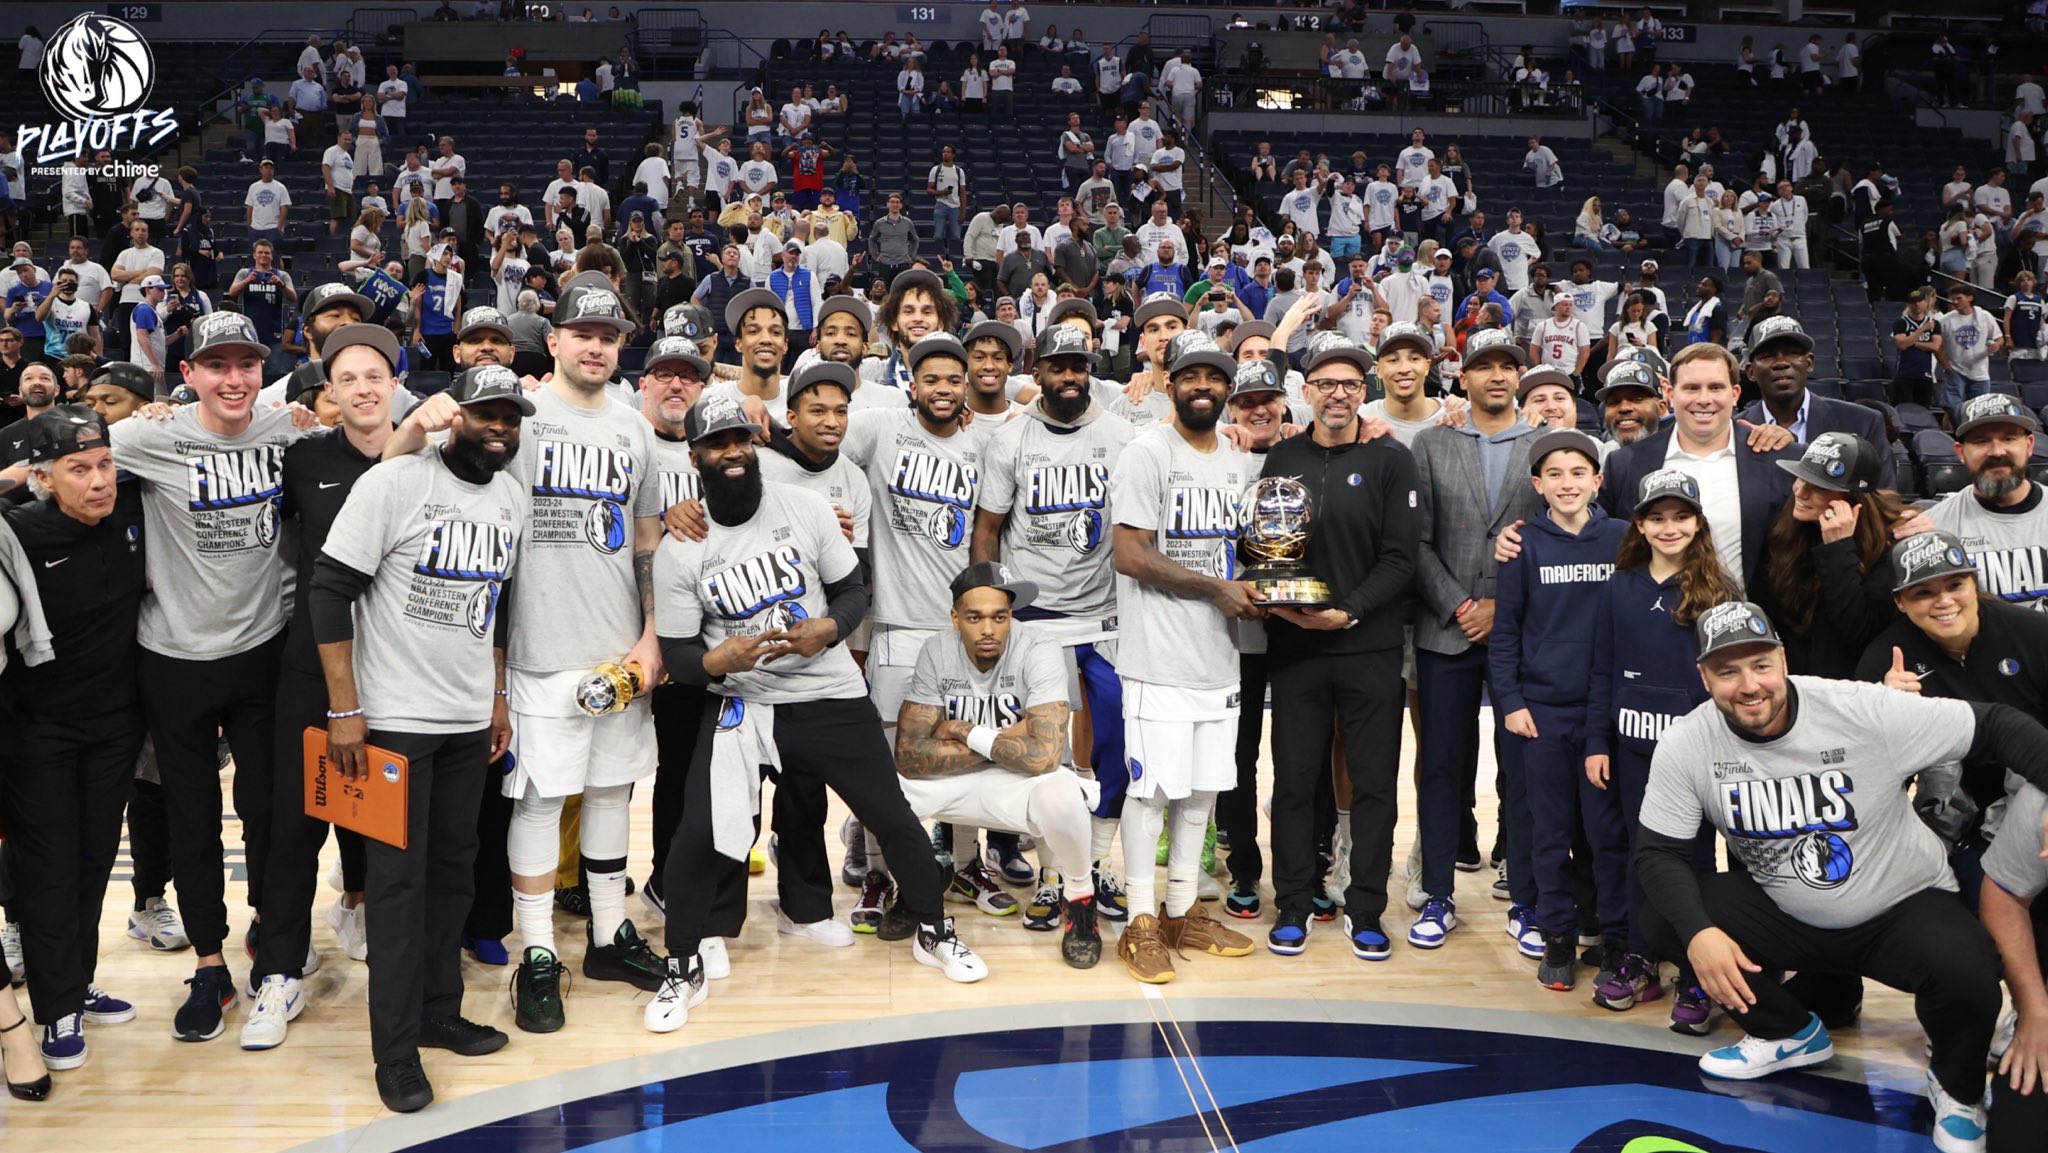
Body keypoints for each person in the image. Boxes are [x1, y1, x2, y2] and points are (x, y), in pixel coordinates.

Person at [1632, 598, 2048, 1150]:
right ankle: (1789, 1033)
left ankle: (1957, 1087)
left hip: (1900, 905)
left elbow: (1998, 725)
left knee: (1969, 973)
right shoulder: (1688, 742)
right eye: (1727, 671)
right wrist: (1701, 934)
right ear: (1704, 677)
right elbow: (1657, 853)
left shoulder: (1861, 708)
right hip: (1788, 913)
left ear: (1782, 661)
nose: (1748, 685)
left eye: (1760, 665)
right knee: (1665, 915)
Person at [382, 273, 666, 1033]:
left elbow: (646, 540)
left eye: (610, 336)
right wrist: (499, 670)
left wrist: (650, 637)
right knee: (541, 800)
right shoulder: (521, 417)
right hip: (539, 647)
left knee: (611, 794)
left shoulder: (634, 428)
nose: (597, 347)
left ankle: (608, 934)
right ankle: (538, 950)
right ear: (558, 339)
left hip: (618, 652)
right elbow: (420, 465)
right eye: (584, 334)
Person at [650, 391, 982, 1031]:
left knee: (893, 815)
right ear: (695, 456)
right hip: (742, 706)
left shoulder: (803, 509)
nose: (733, 453)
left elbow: (853, 590)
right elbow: (681, 658)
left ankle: (934, 930)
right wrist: (720, 662)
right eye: (718, 444)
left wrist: (828, 629)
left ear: (756, 444)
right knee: (698, 835)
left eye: (742, 440)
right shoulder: (680, 550)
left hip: (828, 694)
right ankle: (683, 962)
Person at [302, 361, 528, 1111]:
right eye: (486, 413)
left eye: (511, 416)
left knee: (455, 872)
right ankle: (393, 1052)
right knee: (397, 890)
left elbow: (497, 604)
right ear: (453, 414)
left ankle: (438, 1009)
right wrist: (344, 707)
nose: (500, 427)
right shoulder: (394, 483)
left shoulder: (511, 495)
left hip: (467, 720)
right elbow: (329, 590)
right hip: (392, 721)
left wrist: (496, 696)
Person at [107, 312, 313, 1042]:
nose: (234, 378)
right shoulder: (149, 434)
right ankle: (208, 963)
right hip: (172, 657)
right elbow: (69, 456)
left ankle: (270, 927)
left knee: (269, 810)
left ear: (261, 369)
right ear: (186, 372)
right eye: (216, 365)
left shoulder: (286, 425)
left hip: (262, 652)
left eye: (246, 365)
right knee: (192, 820)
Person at [1256, 333, 1419, 960]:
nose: (1338, 393)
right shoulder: (1284, 458)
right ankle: (1294, 902)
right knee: (1295, 781)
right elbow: (1271, 553)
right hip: (1295, 645)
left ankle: (1367, 907)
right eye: (1325, 383)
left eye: (1350, 383)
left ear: (1364, 391)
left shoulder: (1390, 460)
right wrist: (1290, 610)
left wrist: (1347, 611)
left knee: (1375, 783)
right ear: (1307, 391)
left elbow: (1401, 558)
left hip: (1369, 645)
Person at [1107, 332, 1262, 982]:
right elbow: (1130, 554)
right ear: (1168, 381)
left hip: (1219, 659)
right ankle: (1141, 921)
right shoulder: (1147, 452)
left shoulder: (1238, 460)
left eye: (1214, 376)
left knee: (1200, 793)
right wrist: (1216, 587)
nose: (1202, 385)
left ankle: (1182, 911)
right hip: (1157, 657)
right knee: (1150, 793)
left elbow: (1257, 546)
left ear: (1227, 387)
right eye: (1190, 375)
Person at [971, 323, 1136, 924]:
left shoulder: (1121, 436)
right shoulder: (1010, 439)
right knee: (1045, 756)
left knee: (1116, 747)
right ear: (1037, 370)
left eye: (1079, 366)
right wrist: (988, 606)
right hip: (1036, 619)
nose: (1069, 377)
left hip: (1105, 616)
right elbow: (987, 527)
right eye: (1058, 366)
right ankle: (1051, 873)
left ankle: (1092, 864)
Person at [0, 406, 146, 1073]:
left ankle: (75, 980)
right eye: (78, 469)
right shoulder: (18, 531)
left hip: (116, 724)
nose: (99, 481)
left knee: (92, 859)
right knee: (50, 867)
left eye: (106, 464)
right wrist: (12, 478)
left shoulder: (133, 514)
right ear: (43, 476)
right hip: (39, 730)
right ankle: (55, 1005)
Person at [894, 562, 1102, 969]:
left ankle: (1080, 902)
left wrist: (964, 731)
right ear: (956, 618)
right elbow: (910, 754)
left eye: (999, 617)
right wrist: (1011, 735)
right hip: (959, 781)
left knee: (1062, 794)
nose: (989, 629)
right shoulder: (936, 651)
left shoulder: (1040, 648)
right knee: (886, 789)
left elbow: (1044, 756)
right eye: (975, 617)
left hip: (1017, 782)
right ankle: (916, 888)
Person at [1409, 326, 1545, 949]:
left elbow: (1555, 537)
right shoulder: (1433, 445)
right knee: (1440, 767)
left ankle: (1526, 897)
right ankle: (1437, 894)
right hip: (1446, 630)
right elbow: (1415, 541)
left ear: (1520, 375)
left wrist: (1501, 607)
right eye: (1483, 366)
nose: (1496, 375)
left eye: (1506, 366)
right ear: (1462, 378)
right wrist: (1464, 604)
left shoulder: (1548, 445)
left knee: (1522, 770)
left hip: (1522, 634)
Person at [1491, 429, 1629, 990]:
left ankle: (1615, 936)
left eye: (1578, 473)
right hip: (1543, 712)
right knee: (1549, 830)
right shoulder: (1524, 544)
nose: (1567, 483)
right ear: (1537, 485)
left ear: (1597, 481)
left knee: (1605, 831)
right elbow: (1505, 633)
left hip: (1606, 713)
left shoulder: (1624, 538)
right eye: (1555, 474)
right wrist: (1511, 701)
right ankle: (1556, 935)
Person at [1927, 394, 2048, 609]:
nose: (1997, 451)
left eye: (2009, 438)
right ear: (1960, 452)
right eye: (1981, 441)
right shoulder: (1935, 528)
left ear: (2029, 445)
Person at [1738, 316, 1892, 483]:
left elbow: (1883, 498)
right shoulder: (1734, 431)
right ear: (1750, 372)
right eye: (1767, 356)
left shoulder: (1864, 422)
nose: (1781, 363)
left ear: (1809, 363)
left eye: (1792, 353)